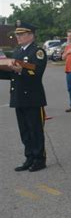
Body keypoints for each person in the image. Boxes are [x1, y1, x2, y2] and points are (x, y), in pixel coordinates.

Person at [0, 21, 47, 172]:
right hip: (19, 96)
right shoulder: (18, 51)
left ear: (30, 35)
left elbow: (37, 72)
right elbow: (11, 72)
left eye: (21, 34)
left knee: (35, 129)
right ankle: (29, 157)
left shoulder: (37, 51)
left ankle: (39, 159)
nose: (17, 37)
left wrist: (21, 70)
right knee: (25, 130)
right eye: (17, 34)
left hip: (32, 97)